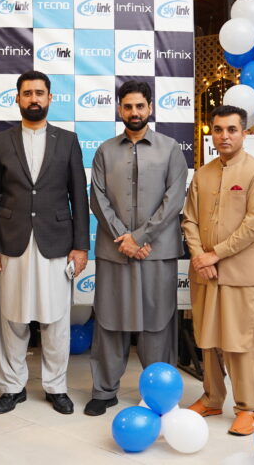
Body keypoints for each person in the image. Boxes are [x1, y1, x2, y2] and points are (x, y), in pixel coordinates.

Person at [0, 70, 89, 415]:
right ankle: (11, 387)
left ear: (50, 98)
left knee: (55, 319)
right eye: (27, 93)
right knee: (11, 319)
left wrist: (81, 246)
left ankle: (56, 387)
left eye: (39, 93)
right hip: (10, 242)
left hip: (56, 242)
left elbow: (79, 195)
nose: (33, 99)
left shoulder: (68, 140)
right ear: (17, 98)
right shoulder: (1, 141)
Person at [85, 81, 188, 416]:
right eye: (127, 106)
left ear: (150, 107)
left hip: (157, 252)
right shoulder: (105, 151)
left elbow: (174, 199)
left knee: (158, 324)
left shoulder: (170, 149)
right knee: (109, 321)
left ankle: (160, 394)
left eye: (140, 106)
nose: (134, 112)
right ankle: (104, 391)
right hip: (115, 251)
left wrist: (141, 238)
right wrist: (125, 239)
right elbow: (97, 198)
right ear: (119, 109)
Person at [182, 105, 254, 436]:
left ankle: (248, 408)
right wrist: (199, 256)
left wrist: (214, 255)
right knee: (207, 341)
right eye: (218, 130)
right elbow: (189, 220)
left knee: (241, 343)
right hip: (205, 275)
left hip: (240, 276)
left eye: (232, 130)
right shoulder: (202, 174)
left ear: (245, 133)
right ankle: (211, 399)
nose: (224, 136)